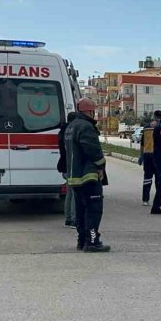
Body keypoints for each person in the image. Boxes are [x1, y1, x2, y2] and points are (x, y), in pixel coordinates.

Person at [64, 98, 110, 252]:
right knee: (93, 210)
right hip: (88, 176)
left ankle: (82, 240)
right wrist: (101, 165)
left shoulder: (71, 126)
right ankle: (92, 241)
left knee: (81, 211)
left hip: (75, 177)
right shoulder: (86, 126)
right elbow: (93, 150)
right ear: (89, 111)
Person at [57, 111, 78, 227]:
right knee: (74, 193)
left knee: (69, 193)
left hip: (64, 165)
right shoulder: (71, 131)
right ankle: (74, 219)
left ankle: (68, 218)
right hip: (71, 164)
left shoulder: (63, 131)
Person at [138, 111, 161, 206]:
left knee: (147, 178)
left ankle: (145, 199)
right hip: (157, 155)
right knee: (159, 179)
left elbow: (142, 143)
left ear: (154, 116)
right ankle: (159, 199)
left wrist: (141, 155)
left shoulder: (146, 126)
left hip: (147, 154)